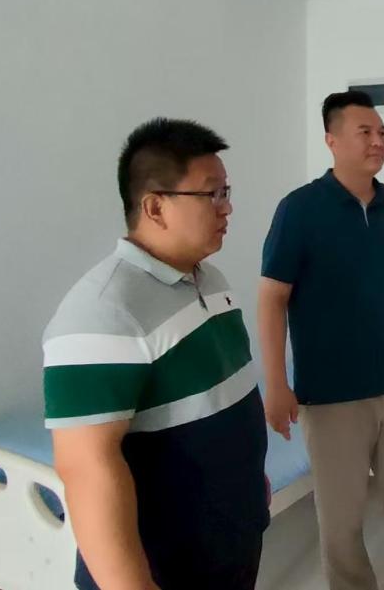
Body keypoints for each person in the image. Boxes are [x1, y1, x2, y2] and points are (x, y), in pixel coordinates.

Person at [44, 119, 269, 589]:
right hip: (166, 569)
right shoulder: (103, 311)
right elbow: (86, 470)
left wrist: (249, 481)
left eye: (227, 192)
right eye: (212, 194)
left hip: (230, 543)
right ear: (154, 207)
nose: (227, 207)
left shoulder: (211, 281)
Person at [259, 91, 384, 590]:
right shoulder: (299, 209)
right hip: (331, 395)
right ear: (331, 140)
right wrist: (276, 383)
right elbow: (272, 297)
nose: (378, 141)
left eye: (382, 132)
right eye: (365, 132)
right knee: (341, 521)